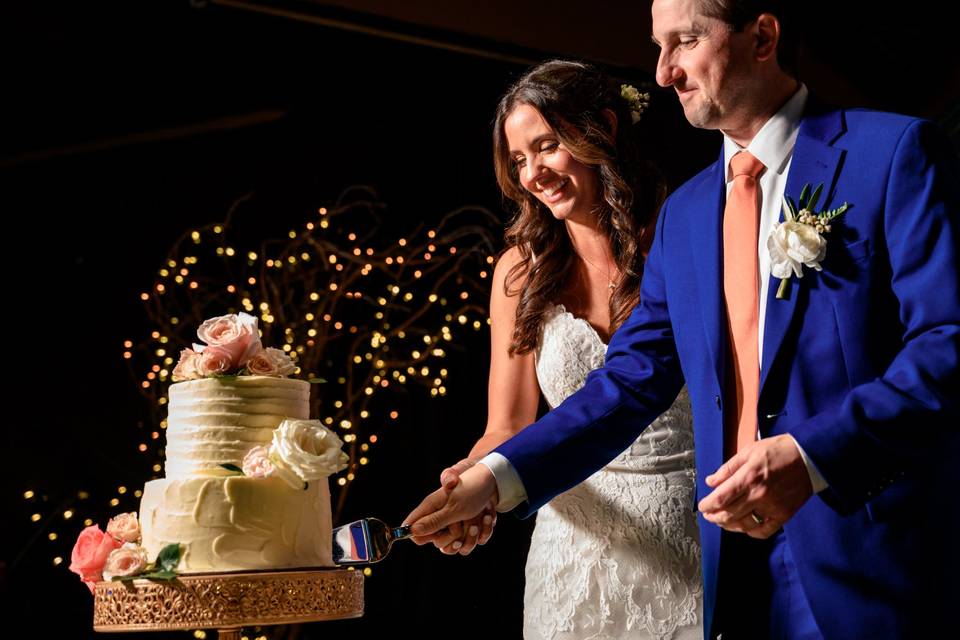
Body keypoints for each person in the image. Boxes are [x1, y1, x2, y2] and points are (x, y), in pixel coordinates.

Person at [406, 1, 960, 638]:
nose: (665, 72)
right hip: (724, 571)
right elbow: (629, 383)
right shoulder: (689, 213)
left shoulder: (892, 152)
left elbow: (946, 346)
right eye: (658, 47)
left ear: (763, 37)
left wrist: (811, 456)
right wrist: (494, 481)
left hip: (866, 556)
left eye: (685, 41)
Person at [433, 60, 702, 639]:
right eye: (519, 159)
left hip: (691, 529)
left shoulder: (684, 235)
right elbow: (506, 425)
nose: (533, 173)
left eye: (547, 146)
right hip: (572, 544)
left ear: (600, 129)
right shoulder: (518, 274)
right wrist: (472, 486)